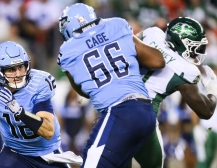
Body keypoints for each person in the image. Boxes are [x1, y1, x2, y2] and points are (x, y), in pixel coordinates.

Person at [57, 3, 165, 167]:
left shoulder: (68, 51)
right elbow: (158, 61)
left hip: (119, 112)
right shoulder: (117, 25)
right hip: (145, 110)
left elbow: (84, 91)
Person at [0, 41, 82, 168]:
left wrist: (18, 111)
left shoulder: (38, 84)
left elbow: (48, 131)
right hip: (14, 152)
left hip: (47, 153)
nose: (18, 74)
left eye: (20, 67)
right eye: (11, 69)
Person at [131, 17, 217, 168]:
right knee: (155, 164)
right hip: (143, 115)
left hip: (115, 102)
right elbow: (206, 111)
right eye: (194, 47)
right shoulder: (185, 70)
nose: (197, 53)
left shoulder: (152, 34)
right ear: (182, 42)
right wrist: (212, 89)